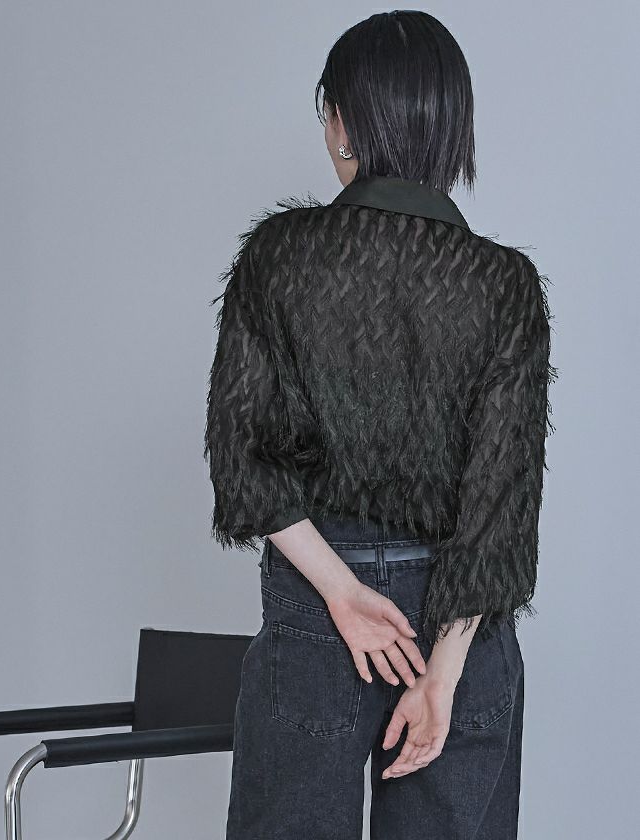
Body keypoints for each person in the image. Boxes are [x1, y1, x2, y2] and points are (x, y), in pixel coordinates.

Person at [203, 9, 556, 840]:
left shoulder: (279, 258)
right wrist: (443, 671)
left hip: (318, 610)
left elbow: (243, 460)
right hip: (458, 629)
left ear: (344, 121)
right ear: (450, 124)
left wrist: (342, 592)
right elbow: (501, 505)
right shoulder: (505, 286)